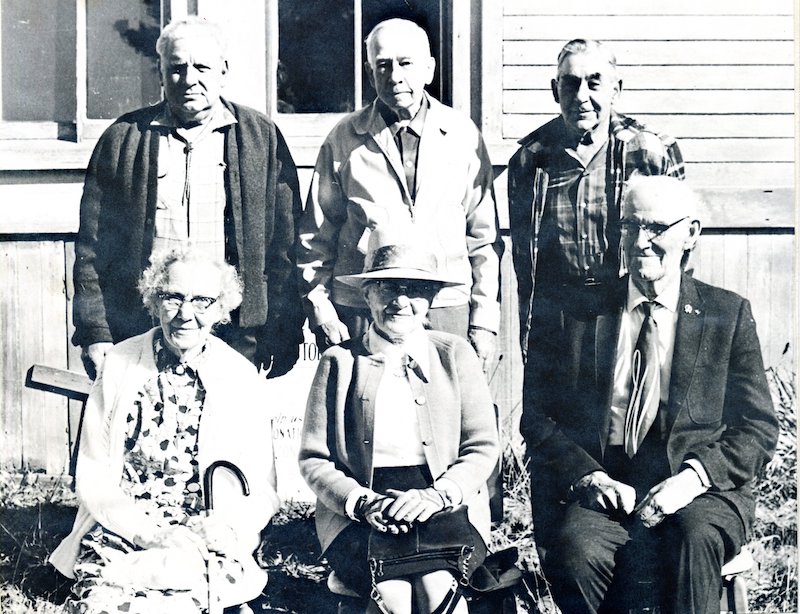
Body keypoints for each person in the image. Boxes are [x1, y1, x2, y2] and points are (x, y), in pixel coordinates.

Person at [522, 176, 778, 614]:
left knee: (692, 539)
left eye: (656, 228)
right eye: (630, 226)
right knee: (576, 550)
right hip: (606, 479)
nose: (640, 242)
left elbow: (757, 427)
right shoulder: (580, 312)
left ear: (691, 233)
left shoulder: (726, 314)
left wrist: (694, 478)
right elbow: (538, 416)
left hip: (698, 486)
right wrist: (588, 476)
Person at [50, 246, 280, 613]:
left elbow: (262, 488)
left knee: (195, 600)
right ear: (154, 301)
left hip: (203, 535)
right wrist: (150, 533)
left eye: (202, 301)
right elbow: (92, 476)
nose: (185, 314)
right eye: (173, 297)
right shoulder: (120, 364)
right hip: (124, 527)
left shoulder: (239, 376)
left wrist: (230, 528)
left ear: (222, 309)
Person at [73, 16, 304, 380]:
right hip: (143, 329)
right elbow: (92, 249)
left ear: (223, 71)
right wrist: (95, 332)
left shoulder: (262, 138)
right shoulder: (123, 140)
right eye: (177, 68)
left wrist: (282, 330)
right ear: (161, 73)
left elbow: (285, 247)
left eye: (202, 67)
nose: (190, 79)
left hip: (235, 333)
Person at [299, 232, 499, 614]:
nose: (401, 301)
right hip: (360, 507)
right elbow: (314, 459)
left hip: (442, 500)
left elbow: (482, 446)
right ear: (368, 294)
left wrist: (439, 495)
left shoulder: (455, 354)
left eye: (416, 289)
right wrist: (362, 502)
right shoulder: (340, 362)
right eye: (388, 286)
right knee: (392, 597)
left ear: (432, 299)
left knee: (440, 591)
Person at [296, 17, 502, 373]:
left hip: (445, 305)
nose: (394, 76)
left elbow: (482, 238)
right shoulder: (344, 139)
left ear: (429, 69)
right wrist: (322, 310)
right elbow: (316, 237)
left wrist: (484, 320)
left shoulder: (461, 135)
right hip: (364, 308)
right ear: (369, 70)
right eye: (383, 65)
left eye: (405, 64)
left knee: (444, 418)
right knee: (367, 415)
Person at [508, 39, 685, 364]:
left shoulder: (650, 152)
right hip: (556, 317)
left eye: (594, 83)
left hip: (625, 308)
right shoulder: (530, 158)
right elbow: (524, 260)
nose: (581, 97)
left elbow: (680, 246)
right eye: (571, 84)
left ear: (615, 90)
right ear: (555, 89)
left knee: (620, 412)